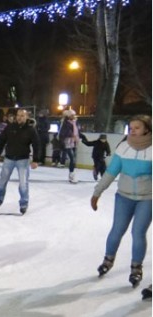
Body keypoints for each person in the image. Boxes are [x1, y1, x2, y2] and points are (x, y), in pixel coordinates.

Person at [91, 115, 151, 287]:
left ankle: (136, 268)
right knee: (117, 230)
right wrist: (97, 192)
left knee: (138, 233)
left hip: (147, 199)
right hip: (124, 197)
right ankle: (108, 260)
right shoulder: (123, 147)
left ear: (146, 129)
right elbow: (111, 172)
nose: (132, 130)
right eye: (130, 127)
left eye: (137, 128)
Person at [0, 109, 40, 215]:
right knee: (2, 182)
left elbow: (36, 145)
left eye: (22, 115)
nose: (19, 117)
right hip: (9, 159)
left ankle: (23, 204)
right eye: (18, 115)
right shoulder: (10, 127)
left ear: (26, 117)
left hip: (23, 160)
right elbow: (1, 141)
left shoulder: (31, 130)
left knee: (23, 184)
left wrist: (35, 160)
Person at [58, 109, 81, 183]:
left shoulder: (75, 122)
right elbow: (63, 133)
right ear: (68, 116)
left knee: (73, 158)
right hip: (67, 142)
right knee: (72, 158)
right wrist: (72, 135)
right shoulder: (65, 123)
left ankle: (71, 174)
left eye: (74, 115)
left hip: (74, 142)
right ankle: (71, 175)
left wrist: (79, 138)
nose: (73, 116)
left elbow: (78, 131)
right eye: (72, 115)